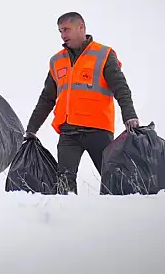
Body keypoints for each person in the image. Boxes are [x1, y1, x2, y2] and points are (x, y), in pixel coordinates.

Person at [24, 12, 140, 194]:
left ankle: (120, 213)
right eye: (60, 31)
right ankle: (67, 216)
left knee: (114, 180)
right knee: (64, 182)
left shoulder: (104, 55)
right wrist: (31, 129)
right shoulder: (57, 61)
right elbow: (46, 99)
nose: (63, 35)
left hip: (98, 130)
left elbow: (121, 89)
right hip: (68, 132)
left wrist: (130, 115)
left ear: (81, 28)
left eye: (66, 30)